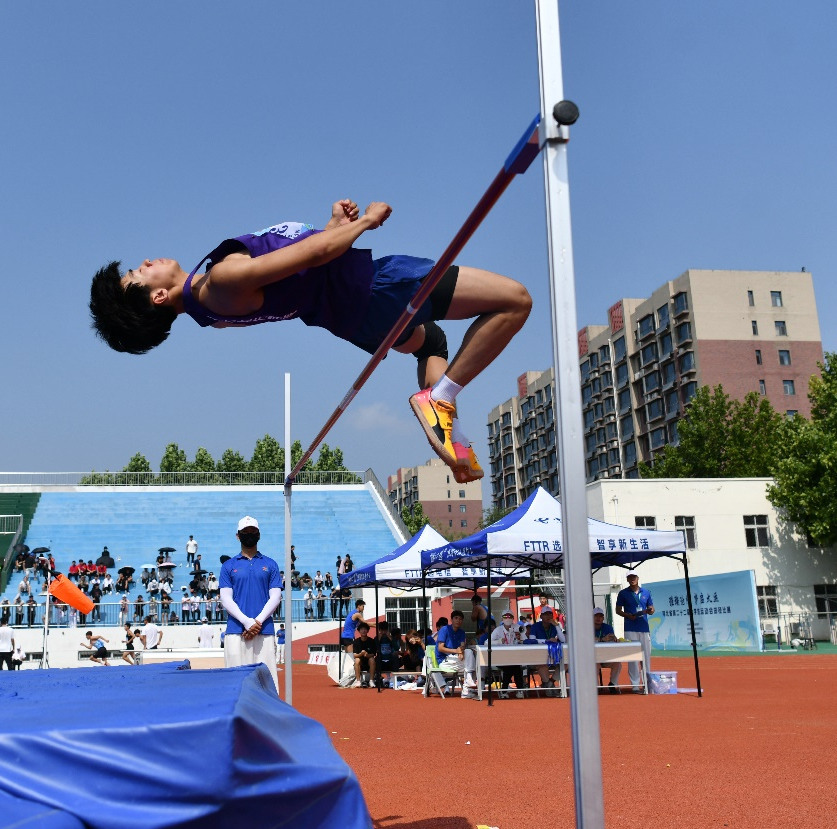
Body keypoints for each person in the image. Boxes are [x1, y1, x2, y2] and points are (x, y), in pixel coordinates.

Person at [89, 201, 532, 483]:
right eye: (139, 274)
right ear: (159, 297)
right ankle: (442, 396)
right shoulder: (221, 281)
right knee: (514, 301)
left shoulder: (209, 311)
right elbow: (314, 257)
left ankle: (447, 438)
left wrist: (332, 226)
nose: (146, 262)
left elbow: (295, 281)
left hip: (352, 317)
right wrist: (364, 226)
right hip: (375, 289)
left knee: (430, 340)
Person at [218, 515, 284, 691]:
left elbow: (276, 597)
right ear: (238, 536)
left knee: (267, 684)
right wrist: (247, 622)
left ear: (259, 534)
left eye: (252, 531)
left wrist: (257, 622)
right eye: (245, 532)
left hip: (264, 631)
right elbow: (225, 598)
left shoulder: (271, 564)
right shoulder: (228, 566)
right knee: (235, 683)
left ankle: (269, 718)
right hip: (235, 632)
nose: (249, 535)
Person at [615, 573, 654, 693]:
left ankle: (648, 684)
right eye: (630, 577)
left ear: (638, 578)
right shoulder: (623, 593)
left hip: (644, 628)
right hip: (630, 628)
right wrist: (627, 615)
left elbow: (651, 608)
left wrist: (651, 610)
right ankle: (635, 685)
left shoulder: (646, 592)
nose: (632, 579)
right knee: (633, 657)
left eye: (634, 577)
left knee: (646, 656)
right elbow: (617, 610)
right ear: (627, 579)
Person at [523, 607, 565, 693]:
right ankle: (548, 687)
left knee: (566, 664)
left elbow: (563, 640)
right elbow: (532, 640)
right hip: (538, 657)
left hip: (553, 656)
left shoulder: (554, 626)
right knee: (542, 665)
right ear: (541, 616)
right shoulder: (535, 626)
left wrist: (557, 626)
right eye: (545, 614)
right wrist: (546, 641)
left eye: (550, 614)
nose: (548, 616)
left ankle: (550, 683)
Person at [436, 610, 474, 698]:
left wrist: (462, 651)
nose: (458, 620)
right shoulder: (444, 630)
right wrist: (456, 651)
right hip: (444, 661)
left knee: (470, 656)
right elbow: (440, 648)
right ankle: (467, 688)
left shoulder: (462, 632)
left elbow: (462, 646)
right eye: (456, 618)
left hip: (455, 660)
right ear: (451, 619)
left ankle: (466, 689)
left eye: (460, 619)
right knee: (470, 664)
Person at [594, 607, 623, 693]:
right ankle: (595, 686)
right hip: (593, 657)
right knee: (593, 665)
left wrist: (614, 639)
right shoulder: (587, 628)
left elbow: (611, 637)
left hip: (606, 656)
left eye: (600, 616)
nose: (598, 618)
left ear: (603, 618)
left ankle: (612, 684)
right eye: (596, 616)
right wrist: (602, 639)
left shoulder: (608, 627)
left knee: (617, 663)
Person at [351, 622, 377, 688]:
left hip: (368, 662)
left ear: (368, 630)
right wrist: (361, 654)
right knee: (357, 660)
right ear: (359, 631)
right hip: (360, 663)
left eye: (365, 629)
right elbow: (354, 655)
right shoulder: (356, 642)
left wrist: (367, 655)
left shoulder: (371, 641)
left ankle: (371, 680)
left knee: (372, 659)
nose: (363, 631)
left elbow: (373, 654)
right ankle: (358, 681)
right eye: (362, 629)